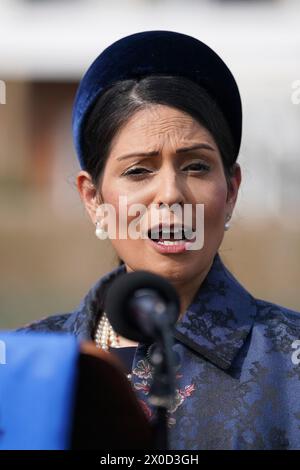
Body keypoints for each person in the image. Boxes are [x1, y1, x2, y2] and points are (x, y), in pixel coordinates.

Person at [17, 31, 300, 450]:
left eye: (197, 166)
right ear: (93, 198)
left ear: (232, 190)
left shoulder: (289, 362)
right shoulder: (24, 366)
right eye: (138, 171)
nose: (171, 194)